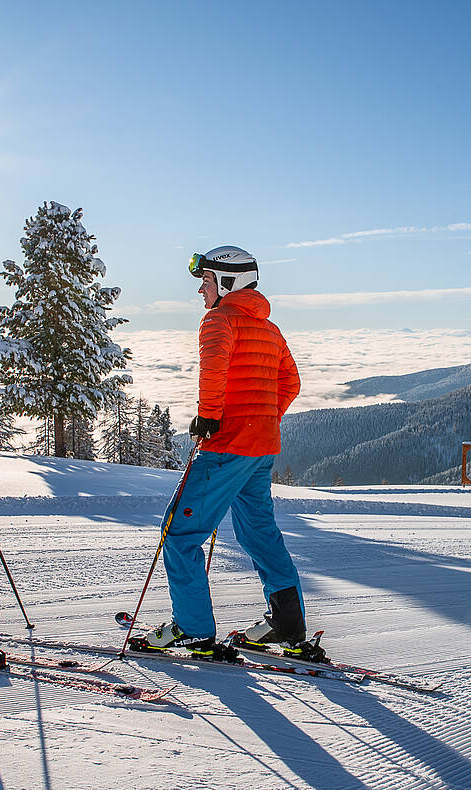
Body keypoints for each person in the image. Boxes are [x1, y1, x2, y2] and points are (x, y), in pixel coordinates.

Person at [143, 245, 307, 655]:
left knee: (179, 535)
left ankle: (193, 628)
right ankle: (287, 624)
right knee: (260, 534)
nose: (201, 290)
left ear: (227, 282)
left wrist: (210, 418)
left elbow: (213, 368)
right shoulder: (270, 329)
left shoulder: (218, 321)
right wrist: (263, 418)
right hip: (260, 448)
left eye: (206, 280)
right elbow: (292, 383)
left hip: (227, 445)